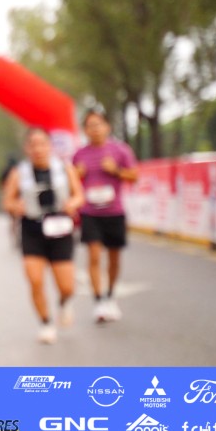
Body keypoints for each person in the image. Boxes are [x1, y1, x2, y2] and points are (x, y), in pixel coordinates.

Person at [2, 128, 84, 344]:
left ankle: (64, 303)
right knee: (35, 280)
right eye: (33, 144)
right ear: (27, 148)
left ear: (50, 146)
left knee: (67, 287)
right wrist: (16, 207)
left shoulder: (65, 168)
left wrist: (72, 204)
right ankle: (45, 323)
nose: (38, 149)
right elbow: (7, 202)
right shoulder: (19, 173)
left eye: (42, 144)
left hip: (60, 228)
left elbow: (79, 196)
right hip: (32, 229)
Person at [72, 110, 138, 323]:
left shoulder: (120, 150)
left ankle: (110, 295)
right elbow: (70, 182)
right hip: (90, 213)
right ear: (85, 130)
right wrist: (77, 175)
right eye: (90, 126)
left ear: (107, 127)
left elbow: (134, 176)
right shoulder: (79, 155)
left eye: (98, 125)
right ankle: (98, 301)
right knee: (93, 255)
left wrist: (115, 170)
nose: (95, 129)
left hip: (114, 212)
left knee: (114, 257)